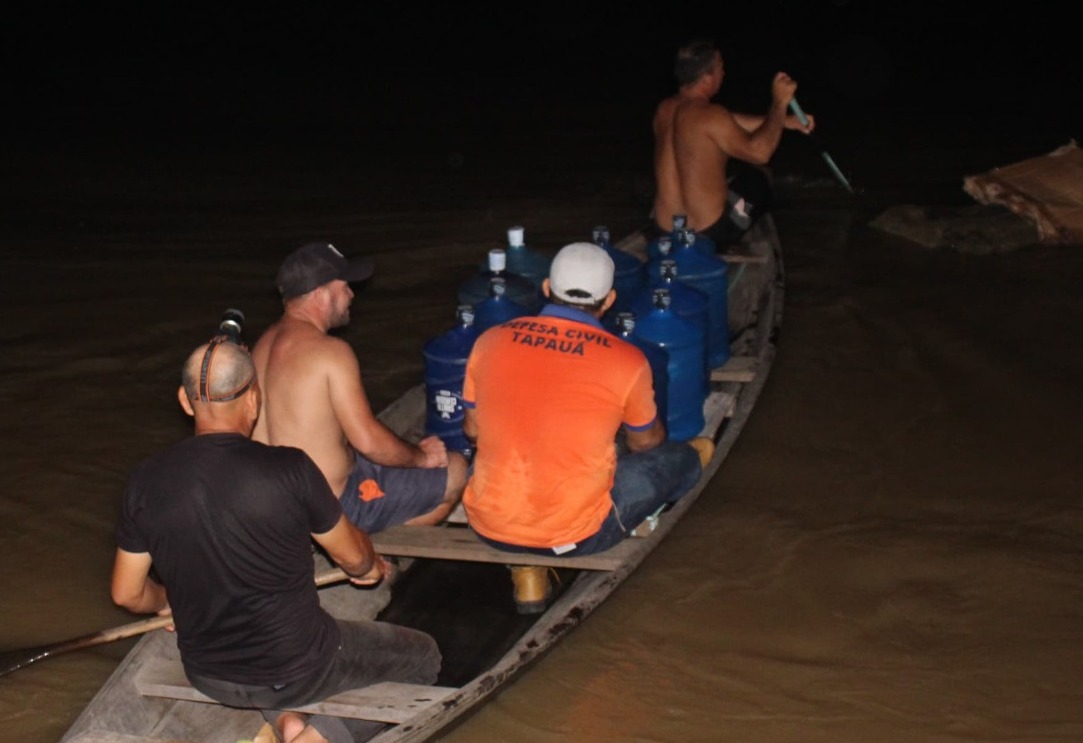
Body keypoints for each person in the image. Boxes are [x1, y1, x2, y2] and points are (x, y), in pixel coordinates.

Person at [111, 335, 441, 743]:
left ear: (184, 399)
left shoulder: (145, 481)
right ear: (253, 401)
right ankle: (320, 737)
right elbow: (354, 559)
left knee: (269, 663)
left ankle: (286, 723)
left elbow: (127, 594)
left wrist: (167, 602)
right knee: (423, 657)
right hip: (301, 668)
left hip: (207, 675)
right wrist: (370, 568)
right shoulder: (290, 469)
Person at [461, 242, 713, 614]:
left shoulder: (490, 340)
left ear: (547, 288)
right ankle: (538, 558)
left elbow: (474, 433)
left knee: (493, 454)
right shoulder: (627, 360)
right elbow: (645, 444)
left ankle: (527, 572)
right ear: (609, 300)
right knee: (679, 457)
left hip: (488, 524)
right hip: (579, 536)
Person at [251, 241, 468, 534]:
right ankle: (368, 547)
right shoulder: (330, 352)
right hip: (332, 509)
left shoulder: (259, 348)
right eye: (345, 286)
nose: (352, 294)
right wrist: (422, 456)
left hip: (276, 506)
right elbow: (368, 442)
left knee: (371, 448)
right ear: (320, 293)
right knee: (455, 469)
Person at [652, 38, 816, 248]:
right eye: (721, 68)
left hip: (664, 230)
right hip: (709, 234)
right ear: (707, 77)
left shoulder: (664, 110)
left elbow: (725, 121)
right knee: (760, 175)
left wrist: (785, 122)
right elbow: (761, 152)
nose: (724, 74)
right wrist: (779, 103)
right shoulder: (712, 116)